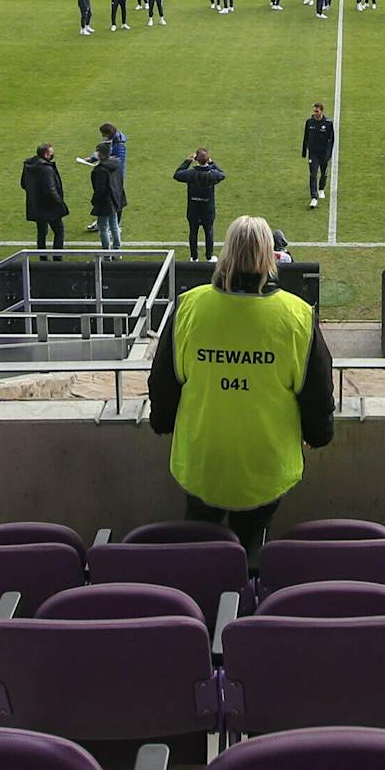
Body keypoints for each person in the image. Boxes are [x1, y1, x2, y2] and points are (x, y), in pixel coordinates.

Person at [146, 214, 334, 560]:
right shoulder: (297, 315)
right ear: (270, 255)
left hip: (202, 462)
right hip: (266, 467)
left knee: (198, 550)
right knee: (252, 550)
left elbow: (163, 383)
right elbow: (317, 393)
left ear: (226, 252)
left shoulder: (189, 307)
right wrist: (318, 434)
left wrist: (163, 423)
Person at [174, 147, 225, 259]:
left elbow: (177, 174)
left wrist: (187, 161)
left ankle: (194, 257)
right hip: (208, 210)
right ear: (208, 159)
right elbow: (222, 174)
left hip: (193, 209)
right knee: (209, 232)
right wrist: (212, 163)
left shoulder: (191, 174)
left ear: (196, 159)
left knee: (193, 232)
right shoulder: (212, 174)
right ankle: (209, 257)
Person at [20, 142, 68, 250]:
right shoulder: (47, 169)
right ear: (46, 154)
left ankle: (42, 256)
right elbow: (51, 190)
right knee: (59, 231)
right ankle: (57, 257)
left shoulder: (29, 165)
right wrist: (60, 203)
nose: (52, 154)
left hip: (36, 205)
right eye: (51, 152)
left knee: (41, 232)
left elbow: (23, 184)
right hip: (49, 207)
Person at [90, 142, 127, 251]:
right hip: (115, 198)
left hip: (105, 202)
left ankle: (106, 253)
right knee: (114, 224)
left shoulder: (100, 170)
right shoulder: (117, 163)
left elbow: (100, 189)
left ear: (100, 154)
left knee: (103, 228)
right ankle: (117, 249)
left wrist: (94, 201)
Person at [301, 100, 335, 209]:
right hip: (313, 153)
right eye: (314, 111)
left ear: (322, 111)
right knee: (313, 174)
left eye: (317, 111)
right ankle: (314, 197)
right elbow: (306, 137)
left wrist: (329, 153)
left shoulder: (328, 123)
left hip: (324, 153)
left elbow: (331, 140)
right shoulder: (309, 122)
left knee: (324, 172)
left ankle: (321, 188)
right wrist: (304, 150)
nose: (315, 113)